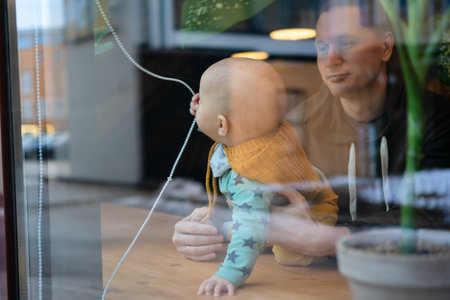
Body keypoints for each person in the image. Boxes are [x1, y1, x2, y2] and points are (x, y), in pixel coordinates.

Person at [173, 0, 450, 269]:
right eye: (321, 46)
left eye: (346, 43)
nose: (331, 58)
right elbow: (254, 193)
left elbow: (436, 218)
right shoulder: (296, 125)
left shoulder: (435, 119)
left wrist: (329, 241)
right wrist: (207, 229)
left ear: (385, 46)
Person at [193, 57, 337, 296]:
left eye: (203, 100)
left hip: (314, 208)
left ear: (221, 124)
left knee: (288, 254)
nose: (197, 103)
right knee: (253, 217)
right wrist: (204, 112)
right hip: (280, 200)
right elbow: (223, 129)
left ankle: (261, 232)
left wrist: (227, 273)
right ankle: (255, 226)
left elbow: (249, 232)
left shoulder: (251, 176)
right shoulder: (255, 134)